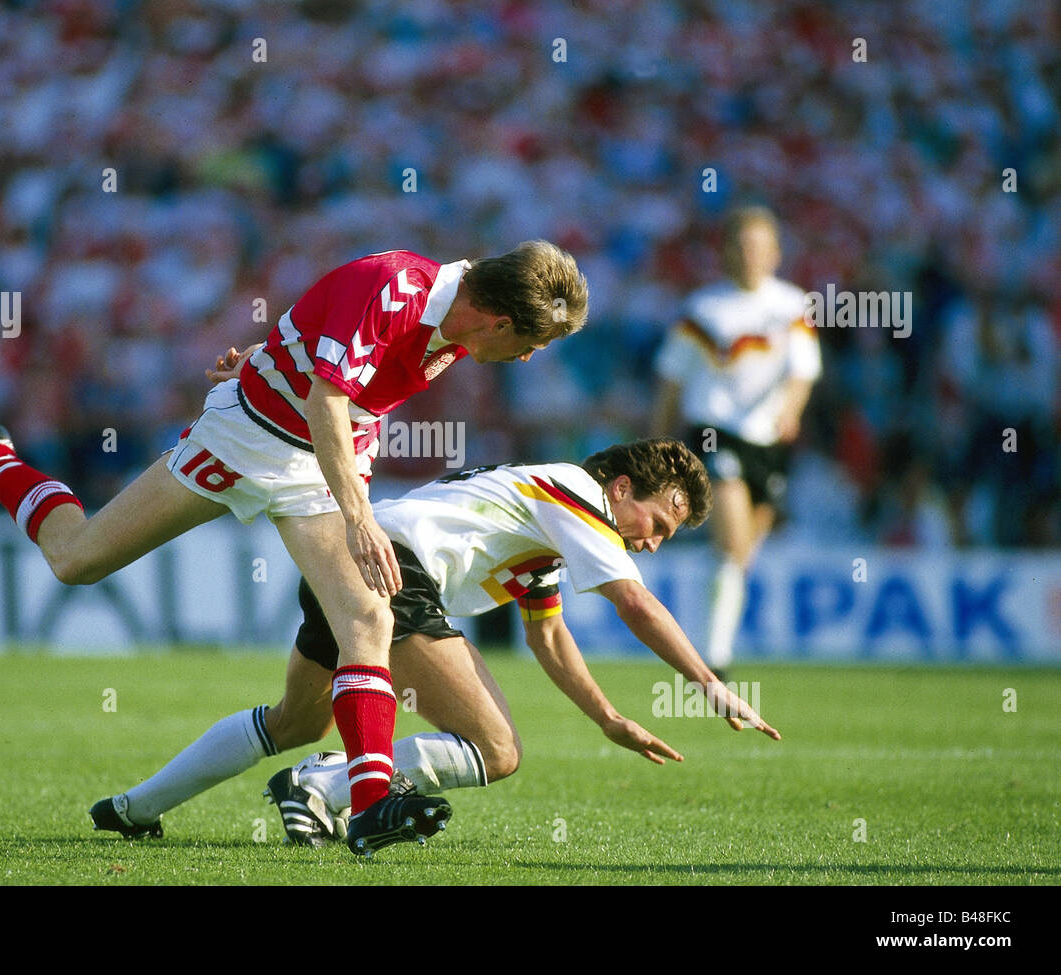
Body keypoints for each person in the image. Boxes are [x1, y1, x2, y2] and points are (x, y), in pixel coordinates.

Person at [0, 242, 588, 856]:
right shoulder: (393, 286)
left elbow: (336, 361)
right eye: (532, 343)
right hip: (245, 438)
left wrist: (267, 356)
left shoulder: (455, 325)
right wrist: (359, 515)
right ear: (499, 320)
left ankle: (371, 802)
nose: (527, 358)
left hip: (315, 467)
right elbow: (326, 397)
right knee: (76, 558)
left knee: (368, 619)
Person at [88, 437, 780, 849]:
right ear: (622, 487)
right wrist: (709, 682)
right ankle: (323, 783)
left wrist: (609, 718)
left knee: (292, 719)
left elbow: (548, 635)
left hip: (348, 556)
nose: (652, 542)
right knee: (498, 750)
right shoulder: (577, 493)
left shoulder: (547, 525)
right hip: (396, 569)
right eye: (656, 521)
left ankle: (133, 807)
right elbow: (635, 600)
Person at [652, 207, 820, 679]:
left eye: (759, 247)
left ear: (776, 253)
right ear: (726, 252)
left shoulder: (792, 306)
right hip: (714, 432)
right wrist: (656, 444)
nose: (750, 256)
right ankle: (715, 660)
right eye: (742, 246)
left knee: (740, 556)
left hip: (767, 443)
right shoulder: (703, 310)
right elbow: (670, 382)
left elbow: (802, 372)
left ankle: (709, 640)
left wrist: (790, 410)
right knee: (731, 540)